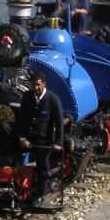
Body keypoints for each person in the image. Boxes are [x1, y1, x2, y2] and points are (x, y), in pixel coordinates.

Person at [17, 72, 64, 203]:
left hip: (44, 141)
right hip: (29, 139)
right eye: (33, 85)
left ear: (44, 84)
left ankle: (41, 194)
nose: (36, 88)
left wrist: (58, 142)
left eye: (38, 85)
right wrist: (22, 138)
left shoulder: (53, 99)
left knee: (43, 167)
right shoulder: (27, 97)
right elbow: (22, 119)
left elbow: (59, 123)